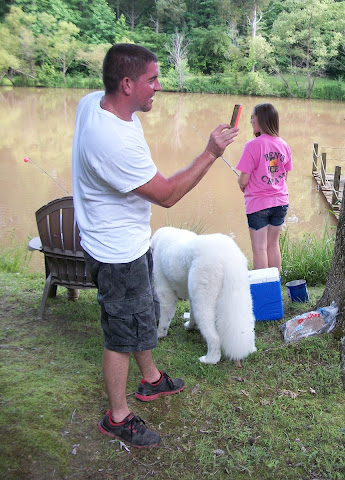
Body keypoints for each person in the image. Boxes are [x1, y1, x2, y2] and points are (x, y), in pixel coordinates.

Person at [71, 43, 238, 447]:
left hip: (126, 243)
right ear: (127, 84)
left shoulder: (93, 102)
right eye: (153, 79)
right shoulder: (111, 139)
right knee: (120, 336)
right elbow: (166, 194)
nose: (159, 86)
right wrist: (211, 153)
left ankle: (151, 379)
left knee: (141, 314)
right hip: (116, 253)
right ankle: (118, 417)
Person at [236, 103, 293, 272]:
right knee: (273, 245)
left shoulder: (252, 145)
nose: (251, 121)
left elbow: (243, 179)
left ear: (262, 119)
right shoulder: (283, 145)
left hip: (258, 204)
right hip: (281, 203)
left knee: (260, 249)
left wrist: (241, 184)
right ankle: (275, 283)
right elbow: (284, 177)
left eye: (253, 117)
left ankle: (263, 286)